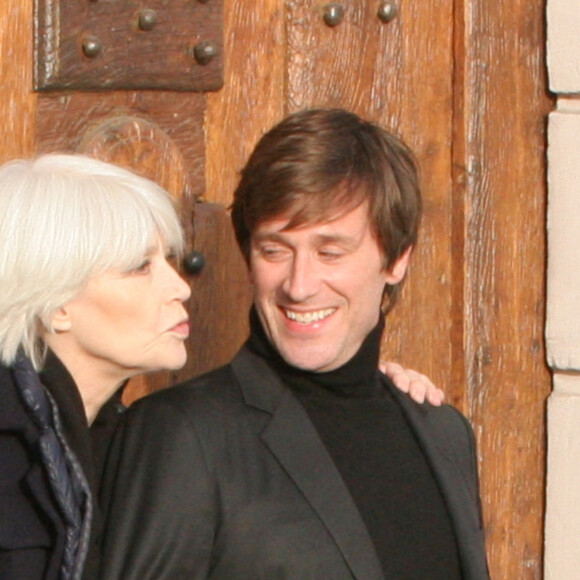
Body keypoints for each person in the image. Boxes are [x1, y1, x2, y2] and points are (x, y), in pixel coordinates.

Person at [100, 108, 489, 579]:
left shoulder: (443, 433)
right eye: (275, 251)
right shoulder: (182, 434)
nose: (299, 285)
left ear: (396, 260)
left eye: (330, 252)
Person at [0, 153, 191, 580]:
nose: (180, 287)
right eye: (141, 267)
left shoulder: (124, 439)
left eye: (169, 260)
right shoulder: (10, 449)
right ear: (57, 305)